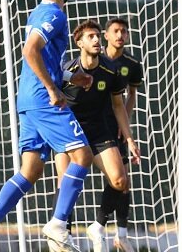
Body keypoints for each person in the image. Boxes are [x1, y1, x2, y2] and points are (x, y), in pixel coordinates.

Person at [0, 0, 93, 252]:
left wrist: (69, 77)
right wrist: (52, 88)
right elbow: (30, 50)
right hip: (42, 99)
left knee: (31, 170)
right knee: (83, 155)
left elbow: (44, 59)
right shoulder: (55, 14)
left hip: (27, 99)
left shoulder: (37, 12)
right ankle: (58, 225)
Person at [51, 20, 141, 252]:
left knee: (120, 180)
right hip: (70, 131)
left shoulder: (111, 70)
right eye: (90, 36)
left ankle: (98, 225)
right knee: (65, 185)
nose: (96, 40)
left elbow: (118, 105)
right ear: (79, 43)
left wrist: (129, 138)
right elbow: (53, 101)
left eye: (97, 36)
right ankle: (61, 239)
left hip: (99, 130)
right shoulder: (67, 71)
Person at [87, 17, 144, 252]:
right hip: (92, 125)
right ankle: (75, 229)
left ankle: (120, 234)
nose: (120, 35)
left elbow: (131, 95)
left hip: (116, 125)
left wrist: (125, 124)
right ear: (106, 35)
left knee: (123, 182)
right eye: (116, 31)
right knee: (72, 177)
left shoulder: (132, 64)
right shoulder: (94, 59)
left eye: (124, 31)